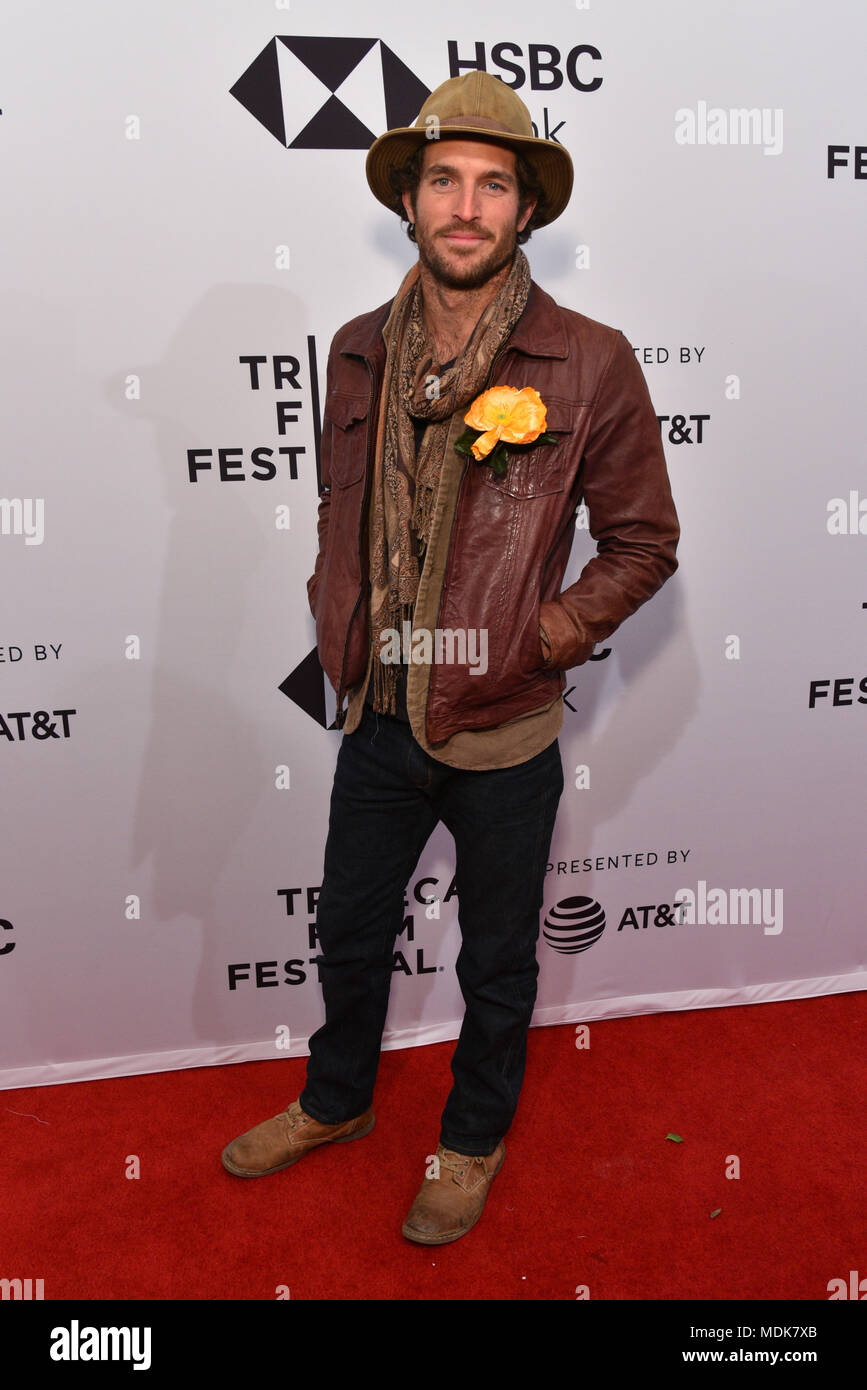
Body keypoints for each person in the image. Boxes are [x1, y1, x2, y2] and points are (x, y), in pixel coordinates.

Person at [222, 71, 680, 1245]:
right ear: (410, 201)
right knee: (352, 932)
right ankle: (337, 1102)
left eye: (493, 185)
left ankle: (470, 1141)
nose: (466, 207)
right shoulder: (359, 347)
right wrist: (338, 616)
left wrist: (542, 638)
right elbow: (347, 514)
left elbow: (644, 542)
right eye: (444, 182)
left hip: (505, 723)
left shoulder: (591, 360)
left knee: (494, 963)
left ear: (527, 210)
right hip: (378, 710)